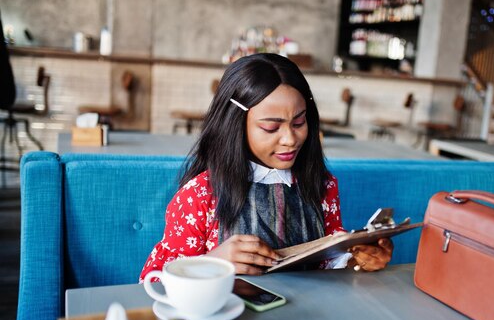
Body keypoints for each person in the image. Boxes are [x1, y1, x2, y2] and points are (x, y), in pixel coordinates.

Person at [140, 53, 392, 281]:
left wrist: (357, 259)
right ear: (235, 124)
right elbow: (150, 281)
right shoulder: (202, 193)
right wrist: (212, 262)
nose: (290, 139)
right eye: (271, 127)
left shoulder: (321, 185)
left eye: (299, 122)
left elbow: (329, 260)